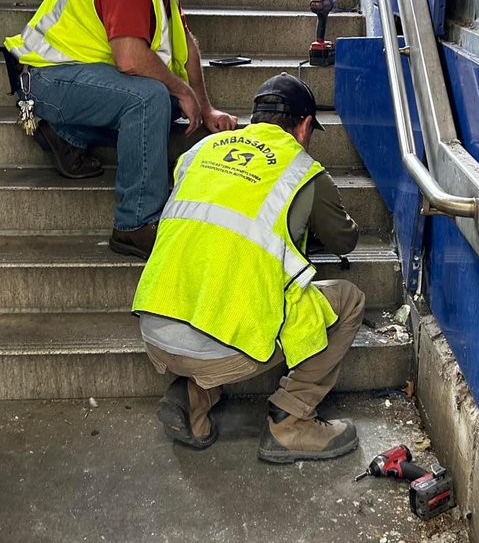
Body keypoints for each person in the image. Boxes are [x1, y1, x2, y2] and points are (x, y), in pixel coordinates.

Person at [132, 73, 366, 463]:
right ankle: (291, 421)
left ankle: (191, 398)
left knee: (224, 293)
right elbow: (345, 241)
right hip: (222, 346)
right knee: (348, 302)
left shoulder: (200, 152)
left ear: (253, 118)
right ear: (305, 126)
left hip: (155, 326)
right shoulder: (302, 170)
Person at [3, 0, 237, 259]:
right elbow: (128, 59)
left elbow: (185, 46)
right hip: (44, 80)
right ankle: (135, 223)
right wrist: (180, 89)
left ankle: (67, 135)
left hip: (80, 78)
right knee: (150, 99)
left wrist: (205, 107)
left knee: (168, 103)